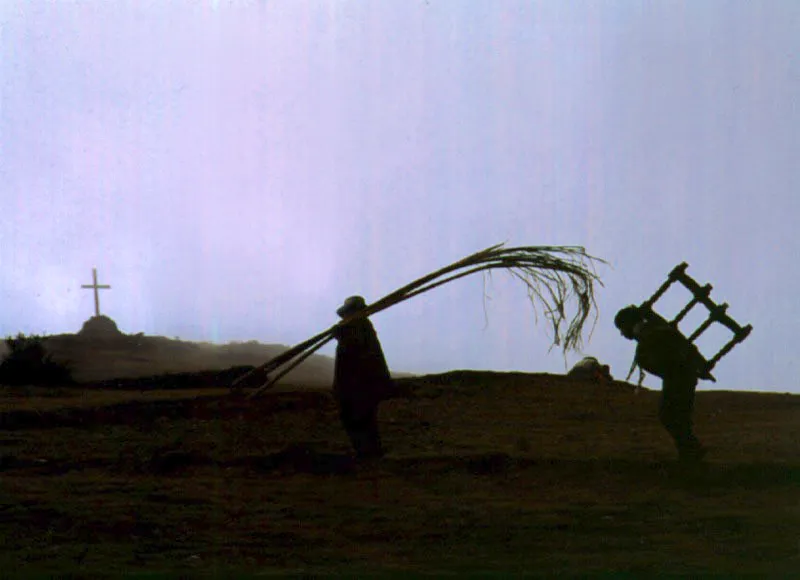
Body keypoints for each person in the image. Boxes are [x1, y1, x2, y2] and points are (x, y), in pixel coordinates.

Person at [614, 305, 708, 463]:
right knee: (677, 416)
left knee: (670, 415)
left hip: (677, 378)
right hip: (683, 376)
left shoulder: (649, 333)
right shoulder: (653, 329)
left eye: (622, 329)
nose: (622, 334)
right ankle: (690, 452)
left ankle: (691, 452)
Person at [331, 295, 393, 460]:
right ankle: (367, 452)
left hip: (361, 385)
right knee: (357, 418)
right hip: (356, 385)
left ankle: (368, 454)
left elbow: (356, 348)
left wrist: (341, 334)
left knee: (360, 417)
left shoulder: (360, 326)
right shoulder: (352, 326)